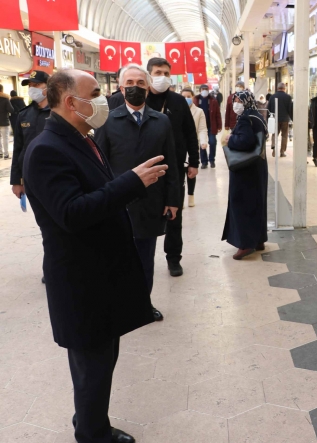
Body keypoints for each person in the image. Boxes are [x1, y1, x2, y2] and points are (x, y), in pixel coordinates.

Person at [23, 68, 167, 443]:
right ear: (72, 102)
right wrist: (131, 183)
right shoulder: (46, 150)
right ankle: (92, 433)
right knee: (93, 365)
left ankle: (87, 420)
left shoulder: (81, 137)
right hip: (80, 279)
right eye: (95, 93)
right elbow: (71, 213)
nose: (104, 100)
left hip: (98, 273)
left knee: (100, 359)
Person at [95, 64, 180, 323]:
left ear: (148, 87)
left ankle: (143, 305)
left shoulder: (161, 121)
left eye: (140, 83)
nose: (135, 87)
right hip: (116, 202)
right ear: (121, 88)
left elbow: (172, 163)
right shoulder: (108, 120)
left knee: (145, 258)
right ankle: (119, 305)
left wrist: (172, 200)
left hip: (150, 202)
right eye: (129, 83)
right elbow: (98, 163)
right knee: (116, 258)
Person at [145, 57, 199, 277]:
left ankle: (173, 258)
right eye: (158, 73)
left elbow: (190, 133)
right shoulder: (141, 99)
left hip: (174, 169)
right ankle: (141, 255)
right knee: (143, 214)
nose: (163, 77)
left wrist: (194, 162)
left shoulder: (178, 102)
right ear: (149, 75)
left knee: (174, 215)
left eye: (167, 73)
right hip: (146, 169)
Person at [221, 90, 269, 260]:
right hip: (258, 166)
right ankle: (259, 240)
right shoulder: (257, 115)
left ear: (245, 101)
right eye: (234, 100)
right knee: (257, 202)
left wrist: (230, 140)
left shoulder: (245, 119)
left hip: (245, 169)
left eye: (237, 100)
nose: (235, 104)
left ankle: (245, 244)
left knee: (242, 204)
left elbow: (246, 141)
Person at [10, 71, 51, 199]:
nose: (32, 88)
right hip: (30, 174)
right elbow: (18, 148)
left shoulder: (58, 112)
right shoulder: (24, 115)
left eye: (37, 85)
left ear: (48, 86)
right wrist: (16, 181)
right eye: (30, 85)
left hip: (53, 172)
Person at [182, 87, 208, 207]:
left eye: (188, 96)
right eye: (184, 96)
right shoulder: (176, 111)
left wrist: (203, 141)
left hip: (192, 145)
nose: (186, 99)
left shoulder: (199, 111)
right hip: (179, 146)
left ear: (193, 97)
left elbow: (202, 129)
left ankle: (191, 196)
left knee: (191, 171)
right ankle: (180, 198)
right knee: (179, 173)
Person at [194, 83, 222, 169]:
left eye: (206, 89)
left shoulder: (213, 100)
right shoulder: (196, 100)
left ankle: (212, 160)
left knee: (213, 142)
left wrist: (219, 125)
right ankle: (204, 162)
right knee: (202, 144)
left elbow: (218, 114)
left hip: (211, 126)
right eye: (203, 89)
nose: (204, 91)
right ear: (200, 91)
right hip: (200, 126)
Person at [267, 82, 293, 157]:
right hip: (285, 119)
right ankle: (282, 152)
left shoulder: (272, 97)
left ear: (277, 88)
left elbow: (269, 108)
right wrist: (292, 118)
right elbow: (290, 109)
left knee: (275, 134)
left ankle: (274, 149)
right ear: (285, 88)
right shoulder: (288, 97)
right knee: (284, 136)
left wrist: (268, 119)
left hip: (275, 119)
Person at [0, 84, 14, 159]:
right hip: (4, 121)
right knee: (5, 138)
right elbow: (11, 110)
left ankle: (0, 153)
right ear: (2, 90)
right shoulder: (5, 99)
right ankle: (6, 154)